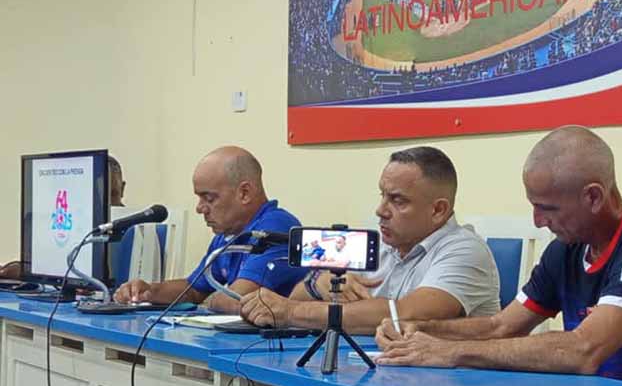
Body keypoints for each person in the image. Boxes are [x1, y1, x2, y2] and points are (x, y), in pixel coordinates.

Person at [374, 126, 622, 386]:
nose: (537, 221)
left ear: (594, 197)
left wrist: (450, 351)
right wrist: (422, 330)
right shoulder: (567, 248)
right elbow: (501, 326)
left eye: (547, 208)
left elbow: (583, 350)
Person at [240, 146, 500, 335]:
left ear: (438, 211)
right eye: (382, 196)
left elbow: (407, 314)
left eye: (398, 200)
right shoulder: (382, 242)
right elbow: (296, 296)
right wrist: (317, 285)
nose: (381, 210)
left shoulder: (465, 249)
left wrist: (290, 312)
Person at [113, 146, 305, 311]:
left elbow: (238, 300)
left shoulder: (277, 228)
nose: (199, 208)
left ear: (244, 193)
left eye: (209, 198)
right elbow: (194, 289)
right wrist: (149, 291)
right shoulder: (230, 231)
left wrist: (210, 301)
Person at [1, 154, 126, 280]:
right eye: (96, 196)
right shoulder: (59, 226)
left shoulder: (135, 231)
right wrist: (23, 271)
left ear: (123, 190)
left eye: (112, 194)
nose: (104, 204)